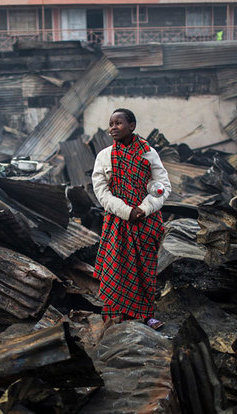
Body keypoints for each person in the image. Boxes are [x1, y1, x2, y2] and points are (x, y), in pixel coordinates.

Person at [91, 108, 171, 329]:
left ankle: (145, 315)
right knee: (116, 268)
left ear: (132, 126)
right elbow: (101, 191)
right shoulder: (105, 156)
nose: (112, 128)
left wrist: (144, 209)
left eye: (118, 123)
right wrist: (127, 211)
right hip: (118, 221)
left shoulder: (149, 154)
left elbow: (162, 187)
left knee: (144, 270)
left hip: (146, 222)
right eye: (111, 124)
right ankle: (114, 317)